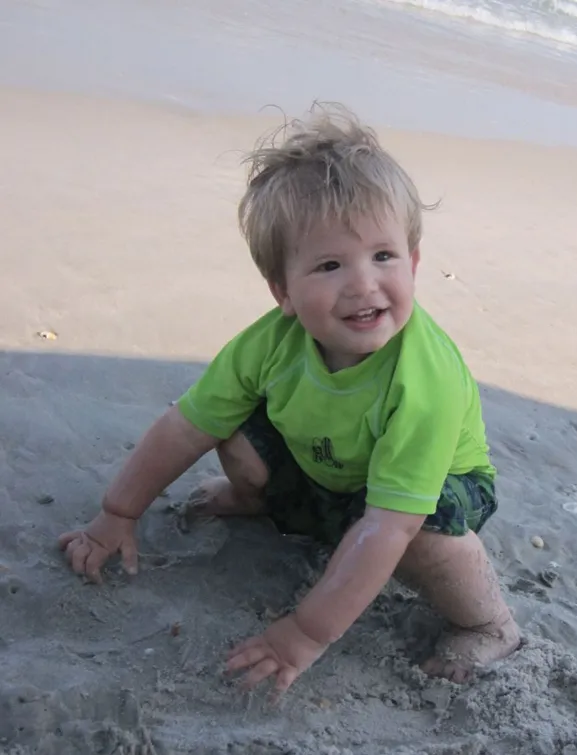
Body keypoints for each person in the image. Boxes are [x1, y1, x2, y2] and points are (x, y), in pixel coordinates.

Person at [58, 105, 520, 698]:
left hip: (430, 493)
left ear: (415, 262)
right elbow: (184, 427)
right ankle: (268, 503)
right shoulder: (270, 343)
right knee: (229, 428)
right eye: (329, 265)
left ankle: (489, 622)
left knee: (425, 534)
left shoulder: (424, 379)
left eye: (383, 256)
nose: (362, 283)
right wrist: (117, 513)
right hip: (328, 465)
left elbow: (387, 526)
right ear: (283, 291)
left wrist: (305, 632)